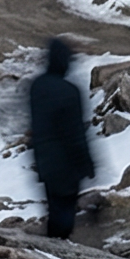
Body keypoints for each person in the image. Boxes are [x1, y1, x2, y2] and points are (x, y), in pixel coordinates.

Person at [26, 36, 96, 239]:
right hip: (67, 165)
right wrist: (87, 165)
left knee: (54, 210)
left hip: (44, 161)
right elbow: (75, 134)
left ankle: (53, 253)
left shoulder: (37, 87)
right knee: (65, 215)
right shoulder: (69, 92)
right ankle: (62, 256)